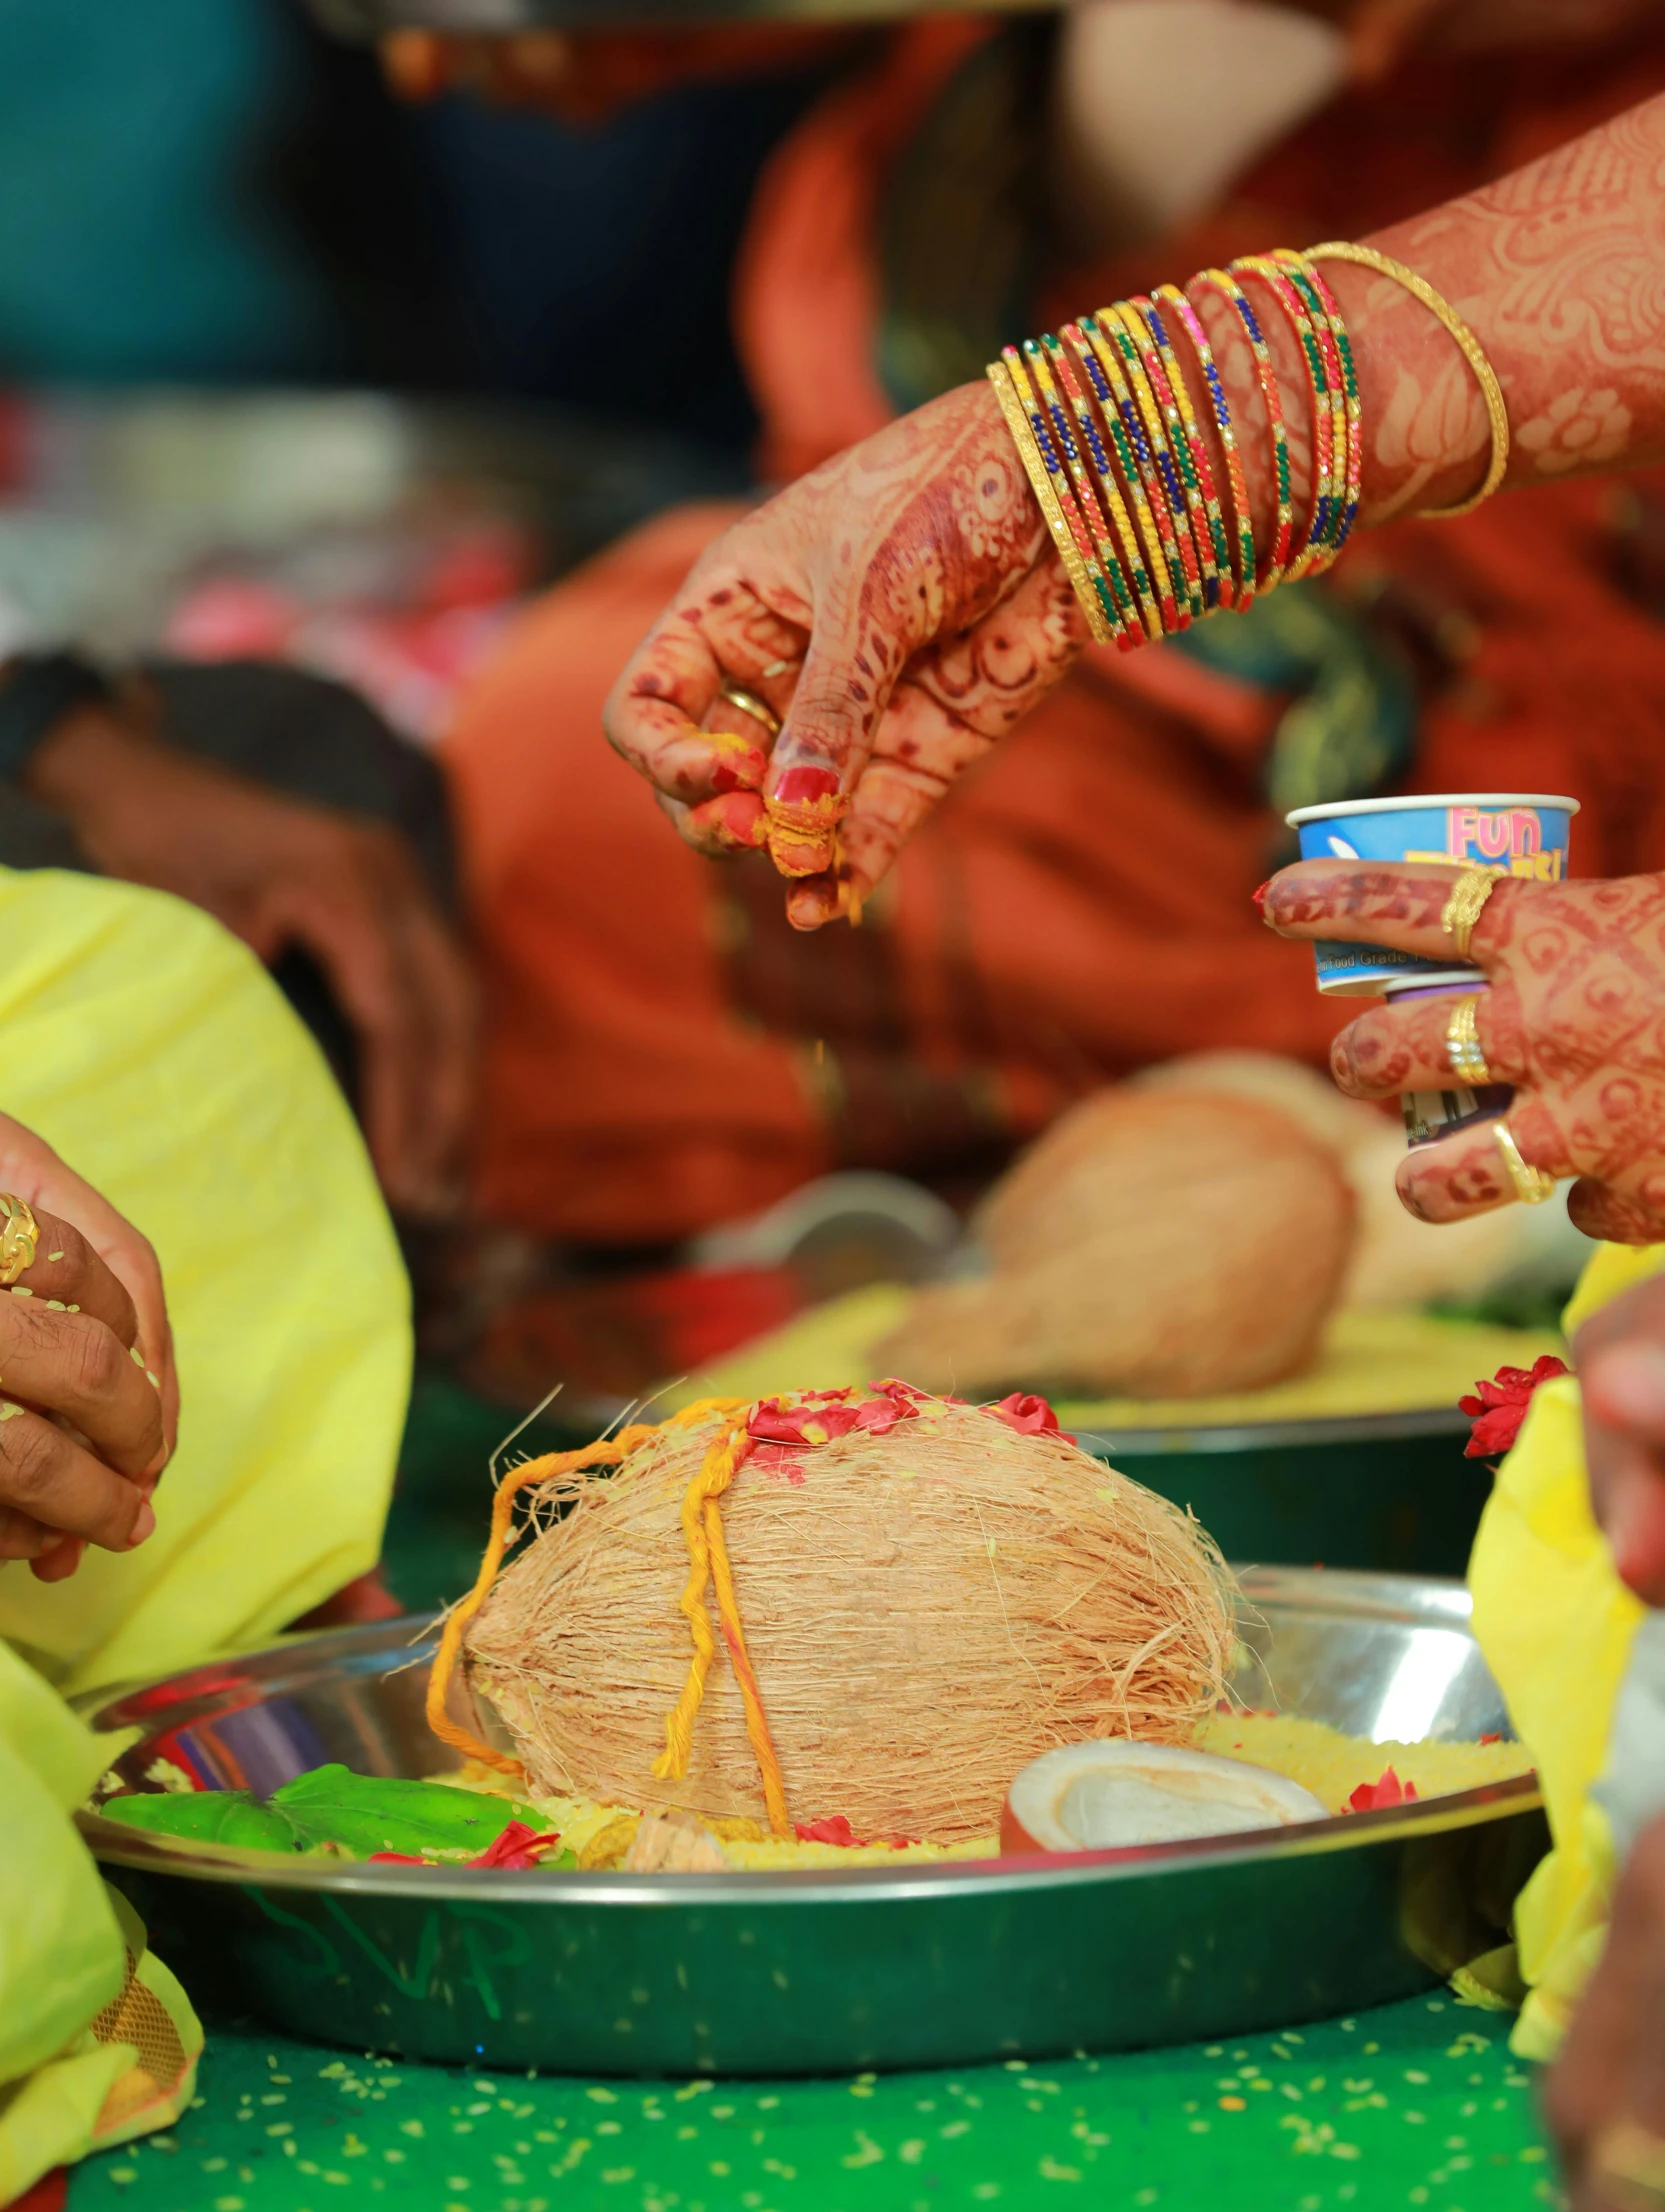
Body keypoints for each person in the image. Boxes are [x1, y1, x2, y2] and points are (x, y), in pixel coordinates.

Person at [434, 8, 1665, 1260]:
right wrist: (1104, 458)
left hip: (1570, 543)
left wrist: (1140, 436)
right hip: (1205, 548)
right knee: (581, 794)